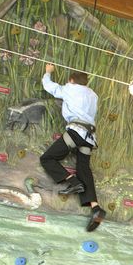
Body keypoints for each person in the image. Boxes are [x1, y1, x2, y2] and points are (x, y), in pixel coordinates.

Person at [39, 64, 104, 231]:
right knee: (84, 168)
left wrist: (48, 72)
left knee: (47, 158)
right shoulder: (93, 95)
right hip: (90, 137)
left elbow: (49, 87)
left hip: (75, 132)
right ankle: (96, 208)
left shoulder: (70, 88)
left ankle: (73, 182)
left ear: (71, 80)